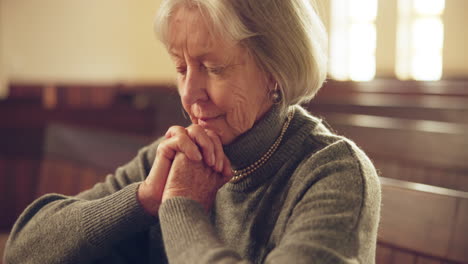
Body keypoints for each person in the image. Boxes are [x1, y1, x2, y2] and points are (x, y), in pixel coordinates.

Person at [3, 0, 381, 263]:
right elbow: (22, 251)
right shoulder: (169, 159)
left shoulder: (334, 173)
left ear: (275, 71)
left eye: (214, 68)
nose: (189, 93)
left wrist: (181, 209)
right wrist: (142, 199)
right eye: (181, 68)